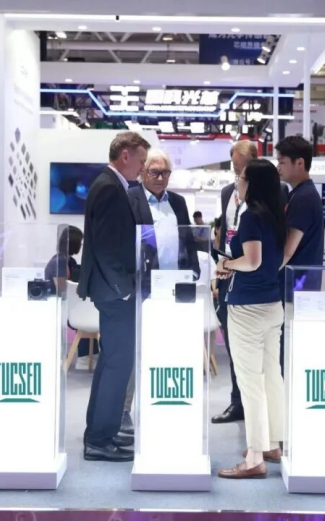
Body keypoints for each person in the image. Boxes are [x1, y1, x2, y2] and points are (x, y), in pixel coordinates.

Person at [78, 131, 151, 462]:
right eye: (141, 160)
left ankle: (100, 434)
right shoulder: (109, 187)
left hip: (113, 291)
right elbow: (106, 246)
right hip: (115, 293)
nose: (143, 167)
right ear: (125, 156)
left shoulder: (110, 185)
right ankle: (99, 440)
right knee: (117, 366)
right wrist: (124, 290)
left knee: (111, 364)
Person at [216, 159, 286, 479]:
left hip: (247, 308)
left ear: (253, 184)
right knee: (271, 376)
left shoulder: (250, 217)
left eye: (241, 178)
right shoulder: (275, 217)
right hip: (272, 304)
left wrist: (228, 265)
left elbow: (253, 261)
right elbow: (271, 261)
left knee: (250, 383)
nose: (238, 182)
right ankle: (272, 444)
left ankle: (255, 456)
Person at [125, 149, 200, 433]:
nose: (159, 178)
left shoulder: (178, 202)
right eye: (154, 172)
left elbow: (187, 239)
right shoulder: (130, 198)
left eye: (165, 172)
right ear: (143, 172)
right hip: (142, 287)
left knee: (171, 347)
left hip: (175, 287)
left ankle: (167, 402)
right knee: (135, 350)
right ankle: (124, 410)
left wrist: (193, 270)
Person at [211, 140, 259, 424]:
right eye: (235, 168)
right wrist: (218, 269)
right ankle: (237, 402)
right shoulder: (227, 192)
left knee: (255, 347)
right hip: (228, 274)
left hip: (255, 278)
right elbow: (223, 233)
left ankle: (257, 405)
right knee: (231, 343)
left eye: (242, 168)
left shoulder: (269, 192)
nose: (238, 174)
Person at [276, 135, 324, 373]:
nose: (278, 167)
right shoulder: (299, 194)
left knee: (289, 353)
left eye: (282, 162)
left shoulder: (304, 198)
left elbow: (287, 250)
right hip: (298, 287)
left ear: (300, 163)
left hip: (296, 289)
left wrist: (262, 270)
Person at [45, 226, 99, 370]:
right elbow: (62, 290)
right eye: (80, 242)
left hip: (67, 306)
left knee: (86, 310)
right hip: (57, 308)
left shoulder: (69, 261)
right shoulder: (59, 263)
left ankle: (88, 356)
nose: (81, 246)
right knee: (87, 312)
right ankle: (85, 358)